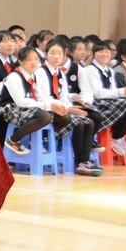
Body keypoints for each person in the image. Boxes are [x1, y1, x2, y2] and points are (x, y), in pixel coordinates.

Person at [37, 38, 102, 176]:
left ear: (64, 55)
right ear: (46, 54)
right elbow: (43, 98)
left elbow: (64, 96)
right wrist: (67, 108)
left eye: (59, 54)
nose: (56, 57)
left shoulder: (60, 73)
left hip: (61, 108)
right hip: (46, 109)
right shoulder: (40, 72)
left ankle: (85, 161)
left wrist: (70, 107)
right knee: (79, 123)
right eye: (52, 53)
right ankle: (79, 162)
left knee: (89, 121)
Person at [71, 41, 126, 156]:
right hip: (96, 103)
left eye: (107, 51)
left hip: (108, 101)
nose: (105, 54)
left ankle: (117, 136)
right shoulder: (90, 70)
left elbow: (112, 91)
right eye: (100, 51)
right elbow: (98, 93)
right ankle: (116, 137)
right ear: (93, 53)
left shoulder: (109, 70)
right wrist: (123, 91)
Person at [0, 46, 71, 157]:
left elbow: (39, 96)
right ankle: (13, 140)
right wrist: (46, 106)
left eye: (36, 59)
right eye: (29, 59)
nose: (33, 62)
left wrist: (55, 106)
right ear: (20, 61)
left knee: (64, 116)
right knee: (45, 116)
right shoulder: (14, 77)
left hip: (30, 107)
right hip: (11, 109)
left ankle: (42, 140)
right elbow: (20, 102)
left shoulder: (33, 76)